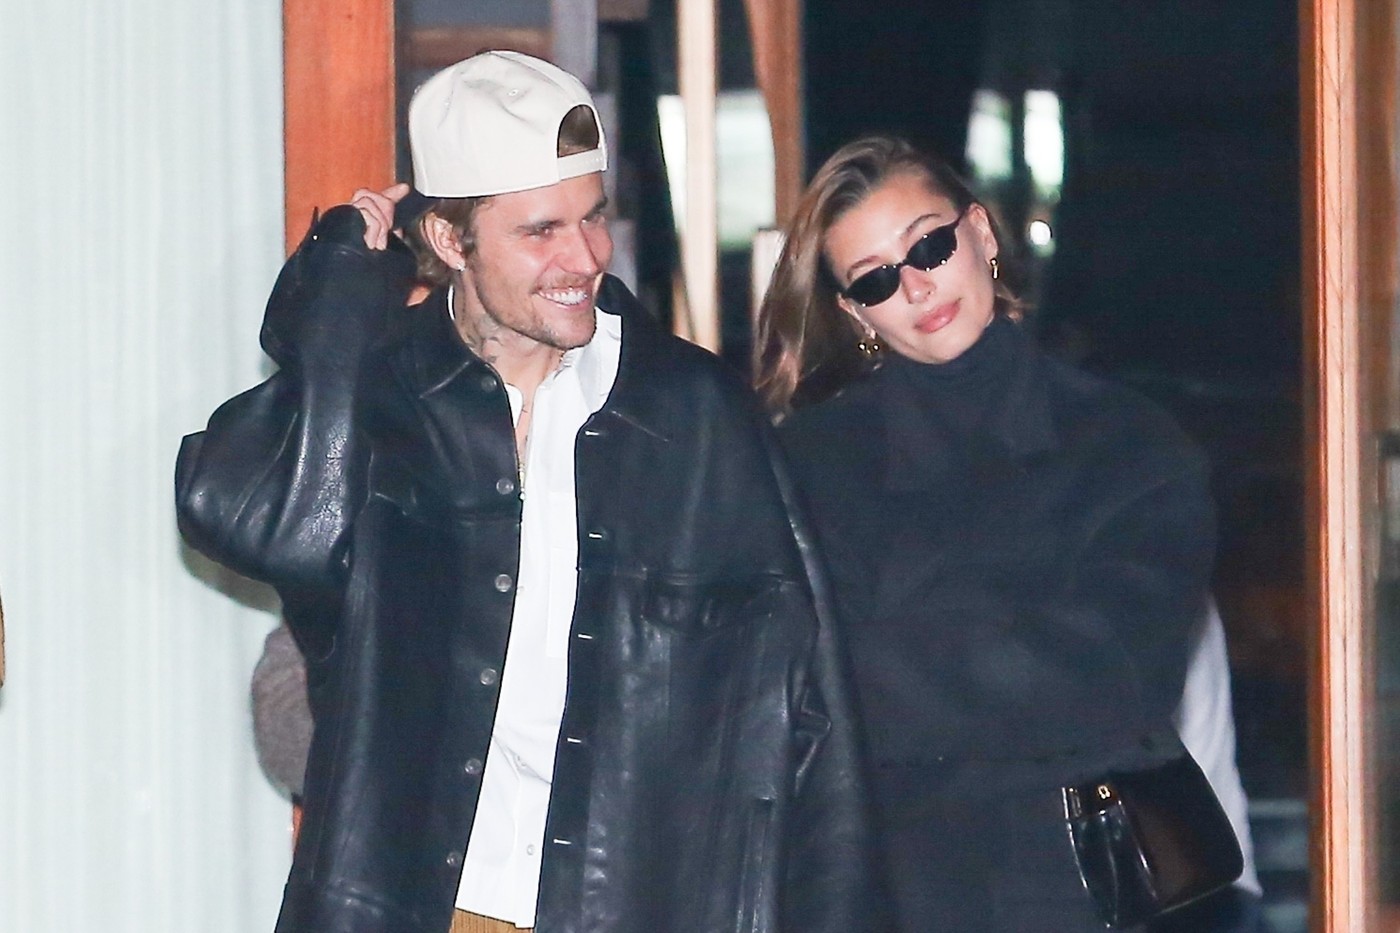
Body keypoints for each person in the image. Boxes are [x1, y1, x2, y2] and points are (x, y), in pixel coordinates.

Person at [177, 51, 881, 933]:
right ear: (450, 242)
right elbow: (246, 512)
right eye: (541, 230)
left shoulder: (692, 414)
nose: (584, 256)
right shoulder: (385, 397)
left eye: (594, 217)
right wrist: (337, 304)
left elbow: (814, 707)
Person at [753, 136, 1219, 931]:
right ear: (855, 311)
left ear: (981, 233)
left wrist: (884, 670)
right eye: (875, 277)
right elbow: (796, 686)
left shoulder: (1126, 444)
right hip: (879, 893)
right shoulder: (809, 464)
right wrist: (1010, 662)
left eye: (929, 245)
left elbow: (1118, 680)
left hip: (1075, 889)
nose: (916, 284)